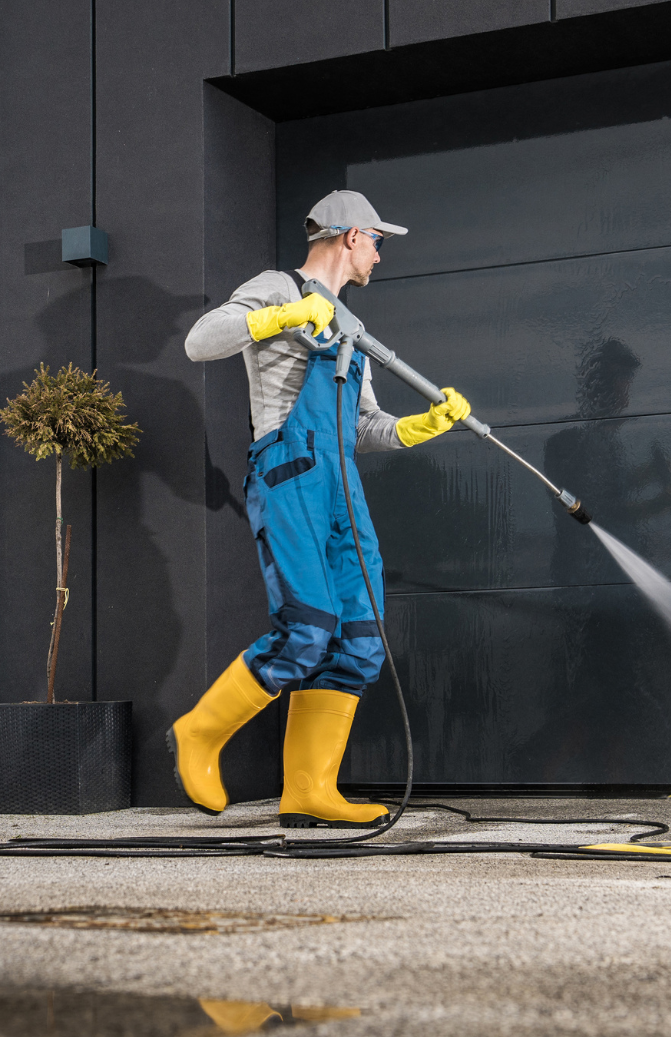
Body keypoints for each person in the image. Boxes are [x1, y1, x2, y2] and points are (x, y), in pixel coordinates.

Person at [170, 190, 472, 827]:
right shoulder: (278, 288)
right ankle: (199, 732)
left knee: (360, 640)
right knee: (307, 628)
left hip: (342, 484)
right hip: (292, 473)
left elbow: (365, 427)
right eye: (378, 242)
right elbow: (201, 341)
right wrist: (281, 317)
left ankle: (308, 791)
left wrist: (422, 427)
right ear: (351, 236)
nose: (381, 256)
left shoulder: (352, 332)